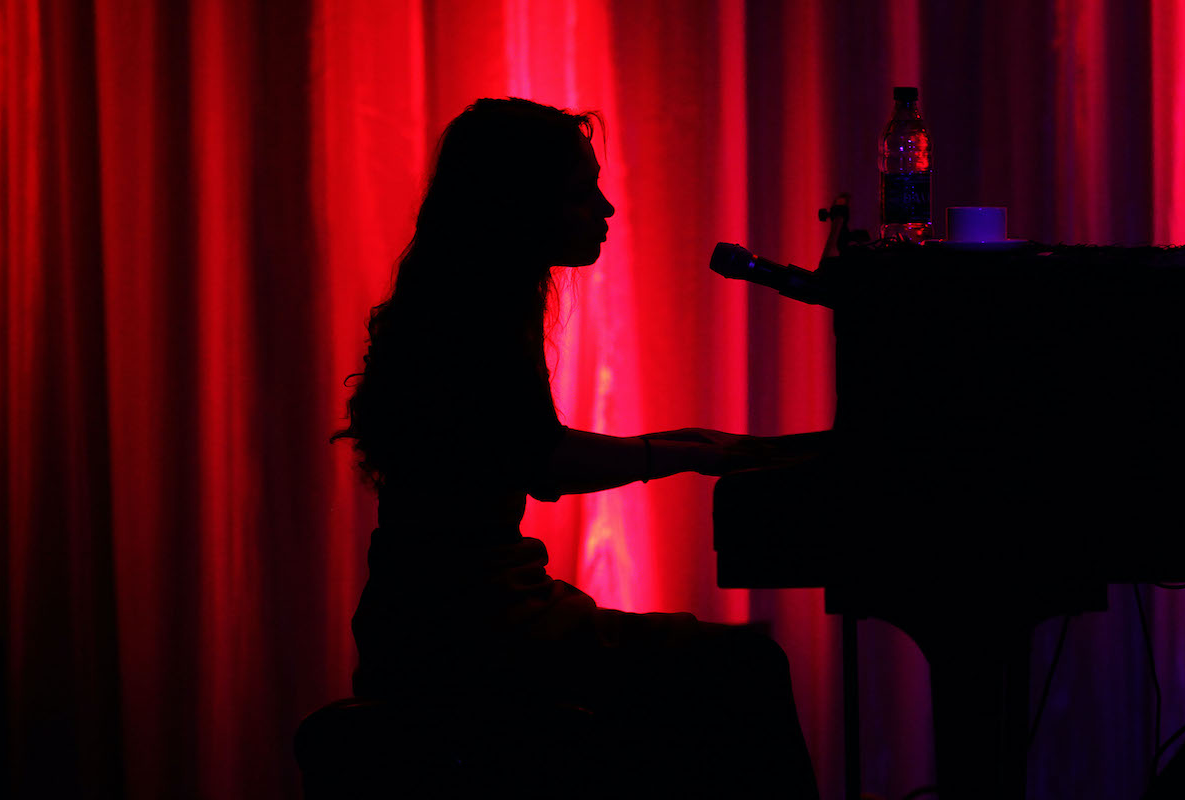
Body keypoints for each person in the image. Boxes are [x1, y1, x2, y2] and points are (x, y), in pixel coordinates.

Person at [332, 97, 822, 798]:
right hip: (468, 625)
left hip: (438, 614)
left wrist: (687, 445)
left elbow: (522, 451)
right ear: (521, 204)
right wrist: (682, 452)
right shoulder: (476, 311)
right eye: (581, 190)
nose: (606, 207)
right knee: (745, 667)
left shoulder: (458, 297)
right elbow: (542, 461)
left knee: (705, 685)